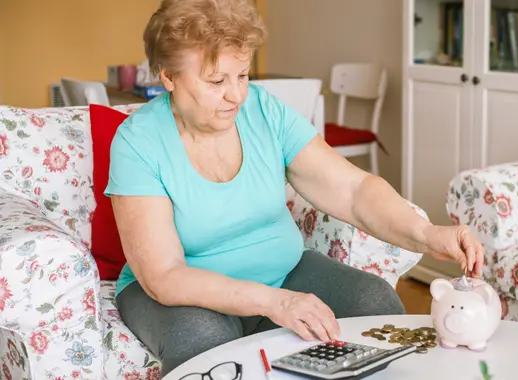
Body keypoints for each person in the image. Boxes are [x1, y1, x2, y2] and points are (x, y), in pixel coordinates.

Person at [106, 0, 485, 376]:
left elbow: (352, 190)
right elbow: (165, 276)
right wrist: (274, 302)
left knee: (372, 299)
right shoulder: (139, 142)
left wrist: (428, 234)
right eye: (216, 81)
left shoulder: (263, 110)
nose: (236, 95)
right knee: (207, 342)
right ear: (169, 76)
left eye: (243, 75)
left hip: (281, 272)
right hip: (181, 294)